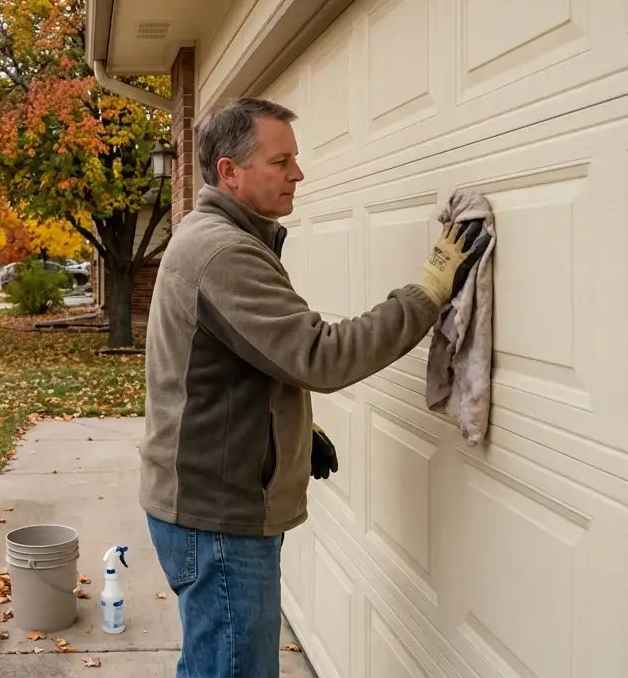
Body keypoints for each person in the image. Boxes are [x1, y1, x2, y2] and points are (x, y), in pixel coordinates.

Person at [141, 97, 481, 677]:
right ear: (230, 171)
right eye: (281, 161)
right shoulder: (223, 253)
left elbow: (235, 364)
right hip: (218, 516)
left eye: (294, 159)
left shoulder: (219, 237)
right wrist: (428, 289)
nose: (298, 173)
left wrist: (291, 431)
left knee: (213, 664)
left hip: (208, 501)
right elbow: (320, 355)